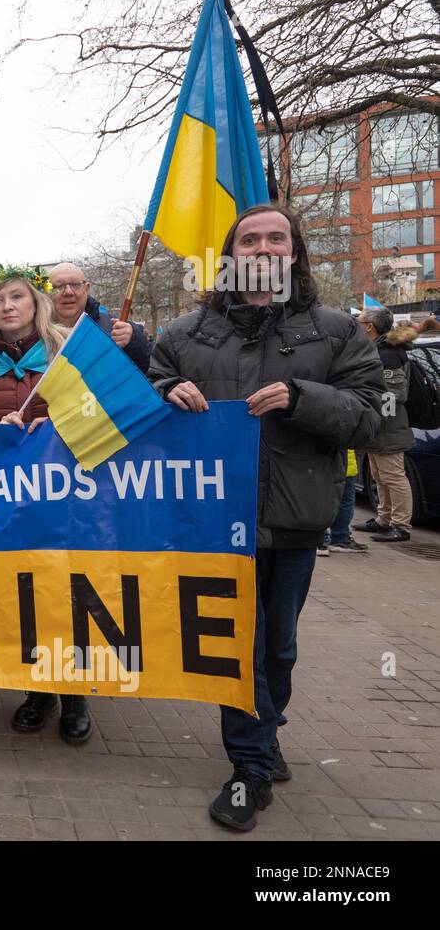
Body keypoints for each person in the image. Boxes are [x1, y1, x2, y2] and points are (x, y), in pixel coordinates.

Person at [149, 203, 383, 832]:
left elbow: (376, 417)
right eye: (248, 239)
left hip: (293, 519)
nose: (261, 248)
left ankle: (267, 732)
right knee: (235, 644)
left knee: (277, 644)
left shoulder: (336, 331)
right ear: (230, 255)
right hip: (210, 522)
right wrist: (165, 393)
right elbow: (143, 394)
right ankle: (249, 767)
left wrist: (303, 398)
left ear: (294, 251)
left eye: (274, 238)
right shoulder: (187, 332)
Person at [0, 265, 94, 743]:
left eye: (16, 296)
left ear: (36, 301)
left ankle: (75, 695)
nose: (7, 306)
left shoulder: (68, 351)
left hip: (64, 499)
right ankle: (38, 691)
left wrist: (53, 428)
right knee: (24, 596)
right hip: (6, 503)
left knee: (66, 595)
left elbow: (98, 416)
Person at [352, 309, 414, 543]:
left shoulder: (388, 354)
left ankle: (401, 525)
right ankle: (383, 519)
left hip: (389, 425)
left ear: (370, 327)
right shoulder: (378, 350)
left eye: (359, 322)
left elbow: (395, 393)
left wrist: (375, 411)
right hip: (380, 424)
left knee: (393, 476)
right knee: (379, 475)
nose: (355, 326)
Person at [48, 262, 151, 372]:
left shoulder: (116, 328)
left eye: (75, 284)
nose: (68, 292)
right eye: (58, 286)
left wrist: (133, 341)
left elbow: (149, 368)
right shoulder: (34, 333)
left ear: (86, 288)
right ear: (46, 291)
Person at [320, 450, 367, 555]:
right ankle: (339, 538)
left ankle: (321, 539)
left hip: (323, 463)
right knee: (344, 501)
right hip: (344, 462)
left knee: (321, 499)